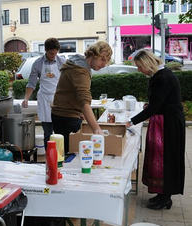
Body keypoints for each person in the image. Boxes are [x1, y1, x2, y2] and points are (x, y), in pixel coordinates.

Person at [126, 49, 185, 210]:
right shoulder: (160, 75)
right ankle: (161, 194)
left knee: (166, 160)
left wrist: (131, 121)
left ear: (147, 63)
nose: (139, 70)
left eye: (139, 66)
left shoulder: (163, 78)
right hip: (165, 120)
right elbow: (158, 101)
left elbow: (155, 107)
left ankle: (166, 197)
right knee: (159, 159)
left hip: (169, 124)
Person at [51, 41, 112, 155]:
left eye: (106, 61)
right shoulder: (79, 70)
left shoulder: (78, 65)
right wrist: (96, 129)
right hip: (66, 118)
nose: (104, 64)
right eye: (102, 59)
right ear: (93, 55)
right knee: (72, 157)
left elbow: (72, 93)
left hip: (61, 115)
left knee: (63, 154)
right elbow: (84, 100)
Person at [22, 38, 66, 148]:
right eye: (51, 53)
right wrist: (26, 98)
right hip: (44, 99)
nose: (53, 55)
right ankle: (48, 157)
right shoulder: (37, 64)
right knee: (48, 132)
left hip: (58, 99)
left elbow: (68, 80)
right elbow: (31, 83)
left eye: (55, 53)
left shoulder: (62, 62)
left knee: (60, 132)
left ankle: (61, 155)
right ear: (45, 50)